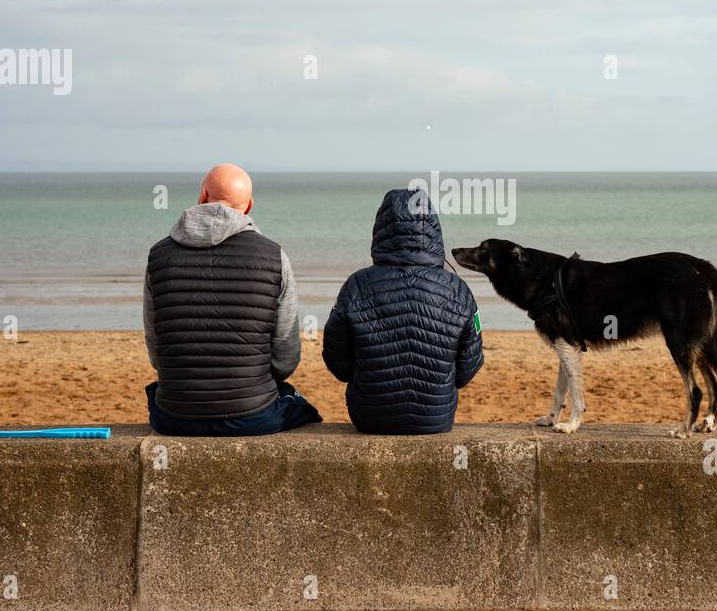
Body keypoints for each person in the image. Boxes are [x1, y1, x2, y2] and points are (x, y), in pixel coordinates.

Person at [143, 164, 320, 435]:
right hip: (253, 415)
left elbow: (156, 349)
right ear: (249, 206)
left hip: (175, 416)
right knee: (300, 406)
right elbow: (286, 356)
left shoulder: (158, 256)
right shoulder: (274, 256)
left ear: (202, 196)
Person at [322, 188, 484, 433]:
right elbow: (469, 366)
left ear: (381, 229)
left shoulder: (357, 285)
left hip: (370, 418)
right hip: (435, 418)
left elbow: (337, 361)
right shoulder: (457, 289)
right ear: (434, 230)